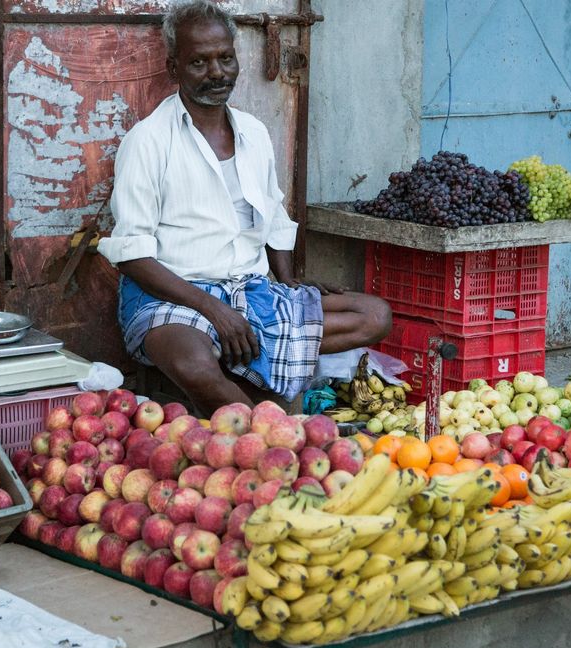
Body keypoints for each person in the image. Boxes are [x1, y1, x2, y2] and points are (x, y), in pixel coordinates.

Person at [98, 0, 391, 416]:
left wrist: (288, 279)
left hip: (250, 293)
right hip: (174, 297)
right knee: (195, 365)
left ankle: (247, 388)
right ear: (173, 68)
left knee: (374, 314)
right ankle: (273, 435)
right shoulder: (148, 141)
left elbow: (271, 214)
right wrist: (214, 309)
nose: (216, 73)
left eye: (225, 58)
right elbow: (133, 257)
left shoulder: (253, 132)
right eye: (198, 62)